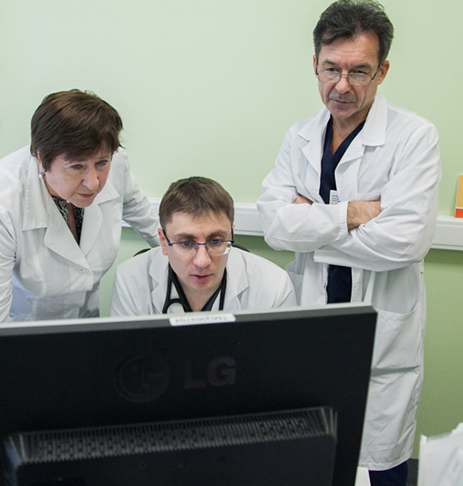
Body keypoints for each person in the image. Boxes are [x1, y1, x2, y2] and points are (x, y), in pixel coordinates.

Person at [0, 90, 160, 479]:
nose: (94, 180)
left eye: (102, 163)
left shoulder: (113, 164)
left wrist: (190, 248)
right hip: (18, 346)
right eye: (76, 167)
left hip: (84, 335)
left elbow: (146, 218)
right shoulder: (3, 195)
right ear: (41, 159)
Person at [256, 1, 441, 484]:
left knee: (381, 466)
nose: (342, 85)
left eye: (359, 71)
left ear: (382, 72)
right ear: (314, 65)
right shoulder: (299, 137)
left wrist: (310, 224)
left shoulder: (414, 138)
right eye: (331, 69)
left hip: (383, 338)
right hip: (313, 322)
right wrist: (355, 214)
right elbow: (275, 227)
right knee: (311, 462)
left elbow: (405, 241)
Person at [111, 177, 295, 316]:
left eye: (215, 241)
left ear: (230, 235)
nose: (202, 261)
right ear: (164, 241)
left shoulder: (274, 286)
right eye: (186, 243)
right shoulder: (131, 281)